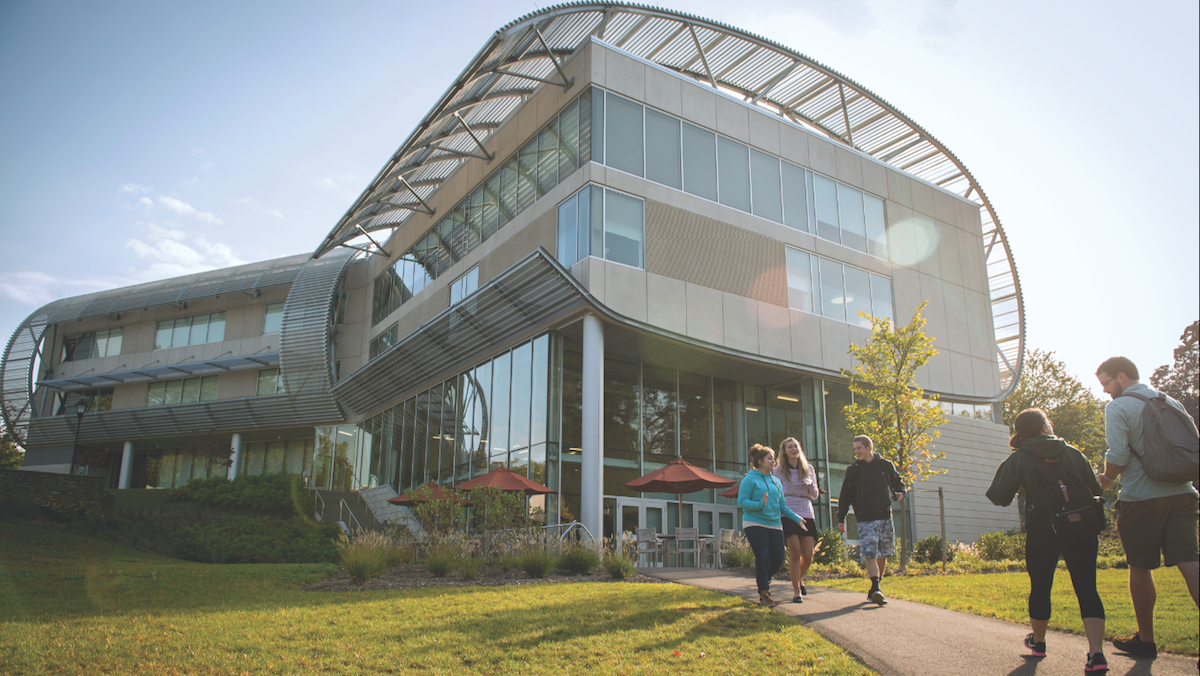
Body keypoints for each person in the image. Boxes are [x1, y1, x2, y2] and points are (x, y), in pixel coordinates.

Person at [986, 408, 1108, 672]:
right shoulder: (1072, 451)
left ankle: (1039, 642)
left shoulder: (1020, 458)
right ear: (1044, 427)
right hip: (1082, 528)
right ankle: (1096, 654)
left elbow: (998, 496)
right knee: (1087, 588)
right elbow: (1095, 489)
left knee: (1041, 586)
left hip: (1043, 529)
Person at [1094, 356, 1199, 659]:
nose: (1104, 391)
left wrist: (1108, 479)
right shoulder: (1170, 401)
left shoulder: (1119, 407)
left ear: (1122, 377)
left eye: (1106, 383)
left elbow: (1118, 453)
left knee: (1140, 566)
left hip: (1142, 498)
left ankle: (1146, 640)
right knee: (1191, 562)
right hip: (1183, 493)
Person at [837, 435, 906, 606]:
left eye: (859, 448)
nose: (856, 452)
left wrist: (900, 494)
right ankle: (875, 587)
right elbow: (845, 495)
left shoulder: (885, 465)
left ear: (869, 447)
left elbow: (898, 483)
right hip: (865, 517)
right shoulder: (853, 470)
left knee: (883, 554)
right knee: (870, 552)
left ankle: (876, 587)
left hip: (884, 515)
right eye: (855, 449)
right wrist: (841, 517)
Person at [738, 443, 806, 607]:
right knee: (762, 556)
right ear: (760, 461)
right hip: (754, 522)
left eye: (774, 459)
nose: (773, 462)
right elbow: (742, 501)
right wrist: (759, 504)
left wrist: (797, 518)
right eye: (770, 459)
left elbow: (782, 506)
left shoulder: (776, 481)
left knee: (778, 558)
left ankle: (764, 579)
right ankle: (764, 593)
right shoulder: (749, 479)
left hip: (775, 523)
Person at [773, 437, 820, 603]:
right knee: (795, 552)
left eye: (795, 446)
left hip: (806, 511)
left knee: (807, 556)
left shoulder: (808, 468)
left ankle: (798, 578)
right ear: (784, 451)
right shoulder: (778, 470)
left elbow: (814, 495)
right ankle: (796, 591)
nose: (793, 449)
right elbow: (775, 490)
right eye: (790, 447)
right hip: (787, 512)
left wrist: (809, 484)